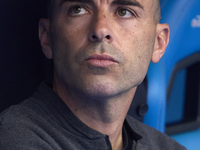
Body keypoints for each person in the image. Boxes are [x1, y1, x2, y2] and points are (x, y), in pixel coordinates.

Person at [0, 0, 186, 149]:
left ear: (159, 42)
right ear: (47, 37)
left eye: (124, 11)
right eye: (78, 9)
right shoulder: (13, 139)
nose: (100, 29)